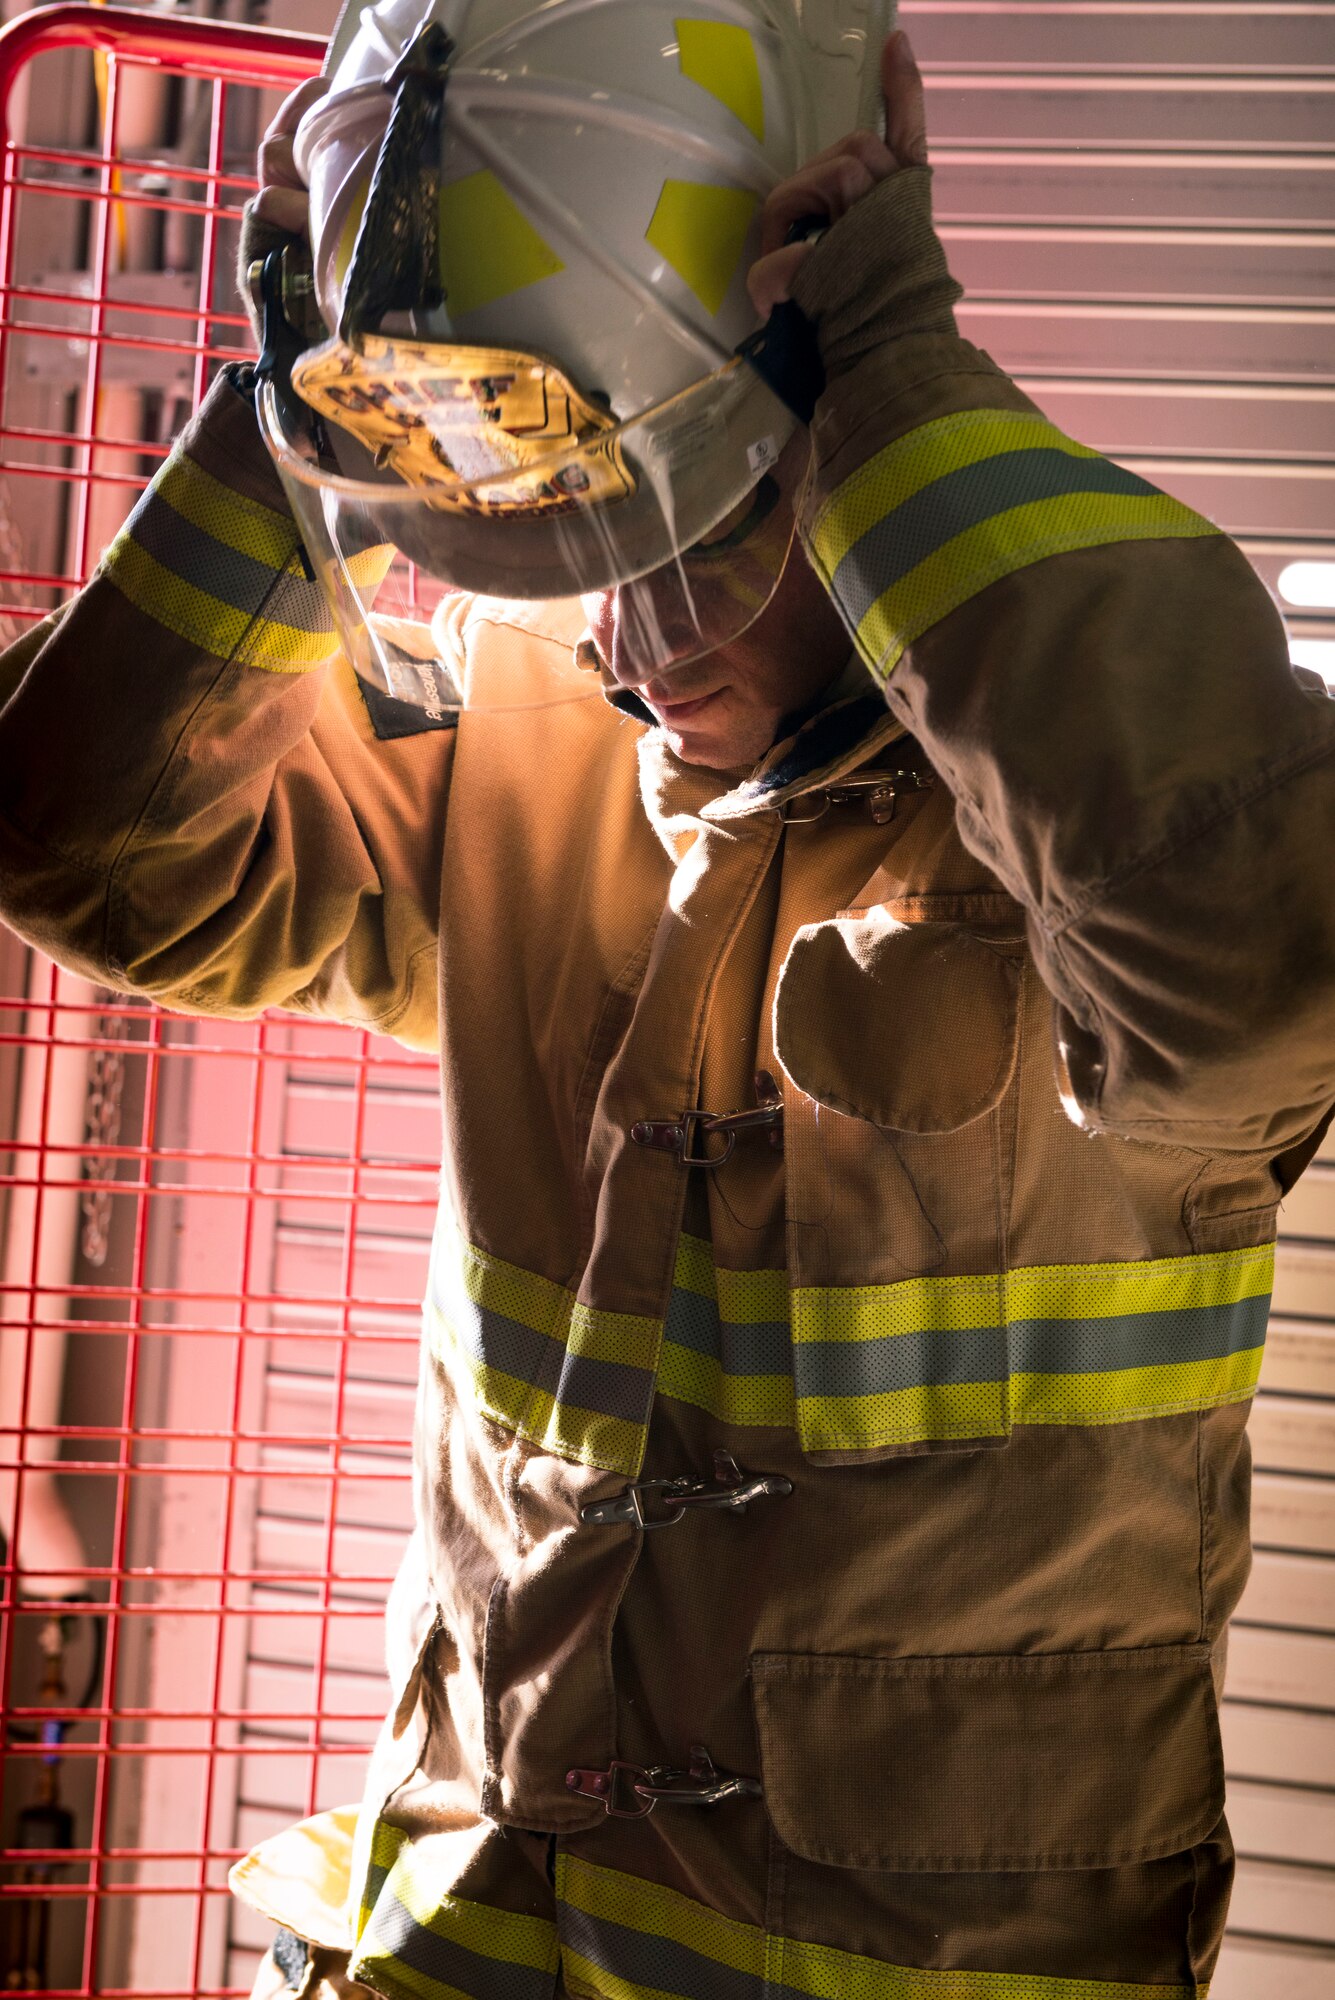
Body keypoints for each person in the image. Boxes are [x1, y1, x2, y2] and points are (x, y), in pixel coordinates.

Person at [1, 7, 1332, 1997]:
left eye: (685, 523)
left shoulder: (1085, 777)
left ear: (834, 412)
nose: (620, 636)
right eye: (548, 533)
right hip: (447, 1945)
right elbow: (86, 841)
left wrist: (898, 380)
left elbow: (1245, 988)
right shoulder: (531, 720)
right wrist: (284, 431)